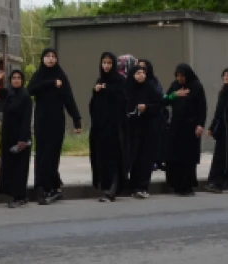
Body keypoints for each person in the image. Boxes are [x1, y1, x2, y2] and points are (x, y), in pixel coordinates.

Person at [27, 48, 80, 205]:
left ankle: (50, 187)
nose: (50, 59)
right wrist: (50, 83)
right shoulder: (39, 75)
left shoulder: (61, 76)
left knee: (52, 153)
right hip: (41, 120)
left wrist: (76, 119)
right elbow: (30, 90)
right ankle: (44, 186)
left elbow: (68, 98)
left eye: (53, 56)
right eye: (47, 56)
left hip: (56, 121)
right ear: (43, 58)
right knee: (42, 153)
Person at [162, 64, 208, 196]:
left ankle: (187, 186)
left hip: (191, 128)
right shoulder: (175, 86)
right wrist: (174, 95)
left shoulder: (196, 86)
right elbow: (164, 100)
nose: (180, 78)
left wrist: (200, 125)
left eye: (182, 76)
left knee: (188, 158)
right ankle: (176, 184)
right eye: (178, 76)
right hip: (176, 126)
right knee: (174, 156)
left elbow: (202, 107)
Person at [87, 52, 127, 202]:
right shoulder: (99, 81)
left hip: (114, 127)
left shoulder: (119, 81)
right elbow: (93, 105)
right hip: (100, 127)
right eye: (104, 63)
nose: (106, 66)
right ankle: (104, 186)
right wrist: (96, 91)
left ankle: (113, 189)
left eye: (109, 63)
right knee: (101, 157)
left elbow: (122, 100)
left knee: (114, 157)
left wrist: (106, 89)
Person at [125, 60, 165, 200]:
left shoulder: (150, 88)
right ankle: (133, 186)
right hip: (133, 129)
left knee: (146, 159)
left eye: (143, 72)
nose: (141, 75)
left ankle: (142, 186)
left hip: (148, 129)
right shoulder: (128, 89)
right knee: (134, 158)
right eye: (137, 72)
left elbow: (159, 104)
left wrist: (146, 107)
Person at [0, 69, 33, 206]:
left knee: (20, 169)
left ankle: (21, 197)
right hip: (8, 137)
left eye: (19, 78)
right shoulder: (9, 94)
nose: (16, 80)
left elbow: (26, 118)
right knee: (10, 168)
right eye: (13, 78)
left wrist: (23, 139)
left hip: (20, 138)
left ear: (22, 80)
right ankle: (14, 195)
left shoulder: (25, 96)